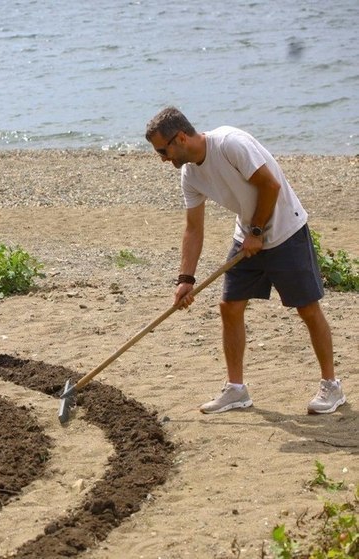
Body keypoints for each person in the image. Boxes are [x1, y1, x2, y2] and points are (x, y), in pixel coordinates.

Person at [145, 106, 346, 415]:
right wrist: (186, 279)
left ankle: (332, 387)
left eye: (162, 150)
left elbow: (270, 185)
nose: (162, 158)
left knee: (306, 308)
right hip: (247, 237)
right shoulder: (190, 175)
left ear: (181, 138)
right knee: (229, 306)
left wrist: (256, 230)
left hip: (284, 231)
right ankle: (236, 390)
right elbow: (193, 229)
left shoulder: (230, 144)